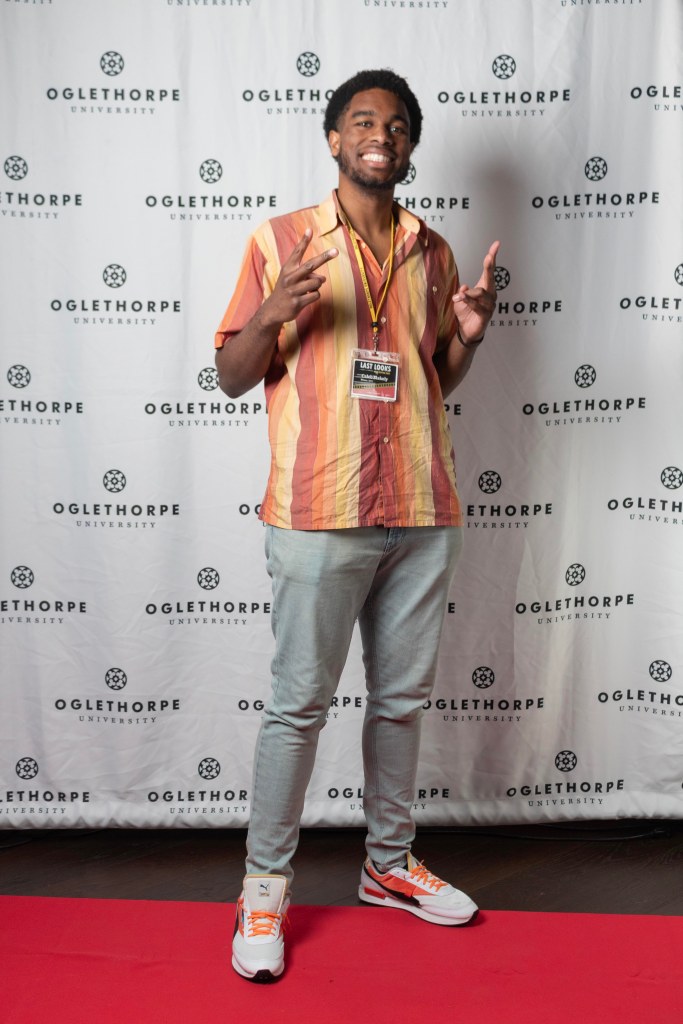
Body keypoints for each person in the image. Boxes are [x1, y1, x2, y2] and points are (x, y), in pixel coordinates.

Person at [215, 68, 499, 983]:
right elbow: (231, 375)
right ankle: (264, 888)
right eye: (363, 120)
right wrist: (271, 312)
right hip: (319, 509)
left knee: (400, 702)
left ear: (410, 145)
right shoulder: (280, 241)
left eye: (398, 124)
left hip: (419, 505)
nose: (382, 134)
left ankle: (388, 865)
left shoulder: (433, 250)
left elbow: (431, 375)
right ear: (334, 138)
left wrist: (466, 335)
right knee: (297, 706)